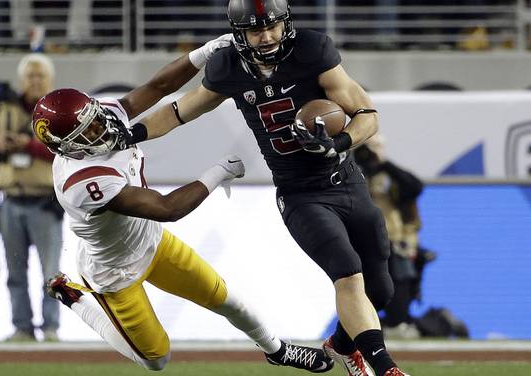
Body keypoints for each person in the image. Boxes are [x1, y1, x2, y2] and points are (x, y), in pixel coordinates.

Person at [123, 1, 410, 375]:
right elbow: (181, 110)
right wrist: (132, 133)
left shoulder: (312, 51)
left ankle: (341, 345)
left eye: (273, 26)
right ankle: (384, 367)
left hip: (348, 183)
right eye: (257, 29)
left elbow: (366, 113)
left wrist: (339, 143)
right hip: (300, 195)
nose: (267, 35)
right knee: (348, 271)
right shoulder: (228, 66)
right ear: (238, 32)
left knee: (381, 289)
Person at [31, 36, 333, 372]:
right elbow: (167, 208)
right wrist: (220, 172)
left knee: (226, 299)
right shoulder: (84, 182)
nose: (102, 128)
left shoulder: (99, 119)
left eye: (96, 119)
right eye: (88, 132)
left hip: (151, 241)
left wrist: (204, 52)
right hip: (114, 272)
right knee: (156, 359)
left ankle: (278, 351)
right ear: (67, 148)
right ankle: (74, 298)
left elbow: (158, 85)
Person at [0, 53, 62, 342]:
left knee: (51, 272)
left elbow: (63, 151)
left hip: (45, 201)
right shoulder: (5, 109)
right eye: (30, 76)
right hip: (11, 199)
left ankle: (50, 327)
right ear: (22, 80)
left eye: (40, 76)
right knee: (15, 271)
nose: (35, 81)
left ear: (49, 80)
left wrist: (29, 146)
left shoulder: (58, 112)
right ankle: (21, 327)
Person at [353, 135, 424, 339]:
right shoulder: (354, 173)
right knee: (361, 284)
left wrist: (383, 164)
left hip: (393, 238)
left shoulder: (391, 176)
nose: (369, 151)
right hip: (364, 240)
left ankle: (397, 322)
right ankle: (364, 328)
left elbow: (415, 187)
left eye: (374, 146)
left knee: (397, 281)